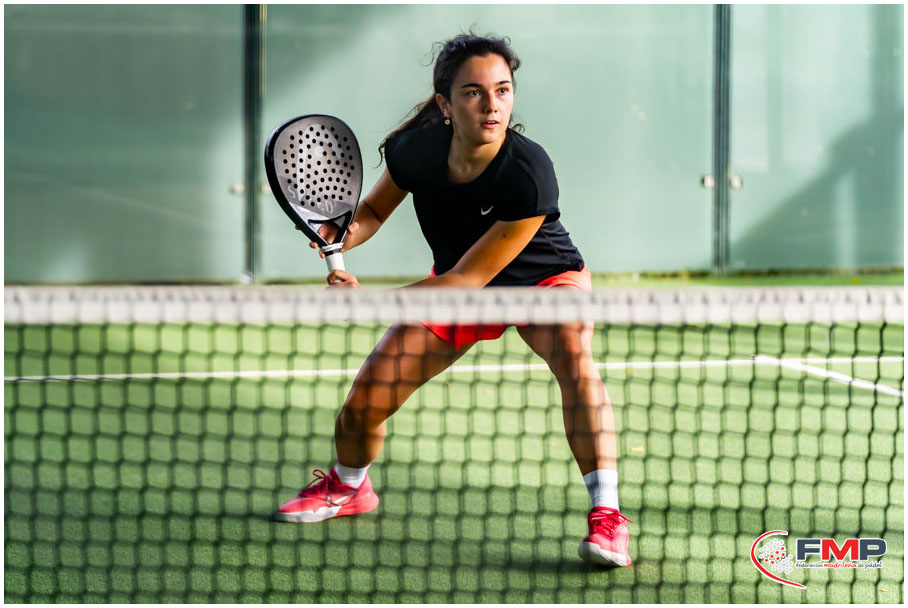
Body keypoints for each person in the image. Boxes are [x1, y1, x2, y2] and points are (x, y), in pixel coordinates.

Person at [273, 33, 632, 567]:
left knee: (575, 357)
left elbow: (468, 279)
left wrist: (372, 304)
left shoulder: (528, 172)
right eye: (473, 92)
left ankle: (607, 517)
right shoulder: (416, 150)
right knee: (364, 405)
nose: (492, 105)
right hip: (459, 284)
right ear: (445, 103)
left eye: (503, 90)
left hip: (543, 282)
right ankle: (349, 486)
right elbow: (372, 212)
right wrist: (340, 233)